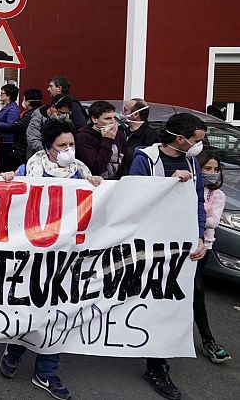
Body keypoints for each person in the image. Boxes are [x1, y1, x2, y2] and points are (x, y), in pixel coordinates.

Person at [0, 119, 102, 400]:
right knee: (33, 309)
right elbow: (11, 200)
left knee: (58, 314)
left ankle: (46, 372)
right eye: (62, 146)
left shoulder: (81, 172)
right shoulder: (29, 169)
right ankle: (15, 349)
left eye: (71, 144)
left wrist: (96, 185)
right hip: (34, 256)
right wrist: (8, 179)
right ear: (48, 148)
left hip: (69, 257)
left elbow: (95, 207)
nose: (69, 150)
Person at [129, 113, 208, 400]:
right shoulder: (146, 159)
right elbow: (134, 197)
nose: (200, 145)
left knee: (169, 300)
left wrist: (199, 235)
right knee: (145, 296)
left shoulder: (191, 161)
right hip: (150, 243)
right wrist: (166, 183)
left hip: (180, 246)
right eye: (197, 140)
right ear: (180, 138)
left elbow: (198, 201)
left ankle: (157, 365)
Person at [196, 150, 232, 364]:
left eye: (215, 169)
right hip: (183, 245)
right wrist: (203, 213)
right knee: (196, 290)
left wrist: (200, 213)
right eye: (207, 168)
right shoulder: (188, 188)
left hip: (205, 247)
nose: (212, 173)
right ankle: (208, 339)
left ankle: (208, 340)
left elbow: (213, 222)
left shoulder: (218, 195)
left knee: (197, 291)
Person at [76, 101, 128, 179]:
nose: (113, 122)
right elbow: (97, 167)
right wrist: (107, 140)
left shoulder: (119, 135)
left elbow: (126, 161)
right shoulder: (83, 137)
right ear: (94, 119)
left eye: (114, 118)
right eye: (108, 118)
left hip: (116, 182)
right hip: (95, 183)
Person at [118, 98, 158, 176]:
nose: (122, 113)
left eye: (125, 110)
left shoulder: (151, 136)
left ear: (136, 115)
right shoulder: (120, 131)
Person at [0, 83, 21, 172]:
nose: (0, 95)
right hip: (2, 141)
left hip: (7, 142)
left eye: (2, 93)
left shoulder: (13, 108)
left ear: (9, 96)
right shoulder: (4, 106)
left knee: (5, 166)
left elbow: (11, 125)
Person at [12, 88, 42, 164]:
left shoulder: (31, 115)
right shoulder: (36, 112)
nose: (23, 101)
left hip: (23, 149)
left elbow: (17, 127)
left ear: (28, 102)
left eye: (24, 99)